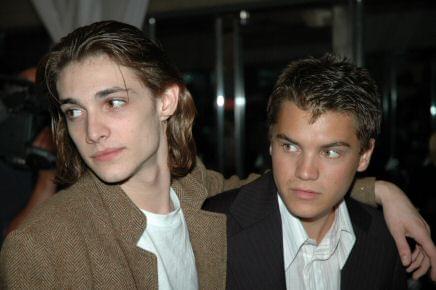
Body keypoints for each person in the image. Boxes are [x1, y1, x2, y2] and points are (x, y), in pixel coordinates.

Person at [0, 21, 433, 289]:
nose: (91, 131)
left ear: (166, 101)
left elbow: (283, 185)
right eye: (74, 111)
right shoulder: (40, 249)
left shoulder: (197, 193)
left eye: (113, 102)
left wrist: (382, 191)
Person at [202, 55, 419, 289]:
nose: (305, 172)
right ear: (271, 143)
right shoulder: (214, 226)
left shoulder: (386, 240)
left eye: (331, 153)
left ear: (364, 155)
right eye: (290, 147)